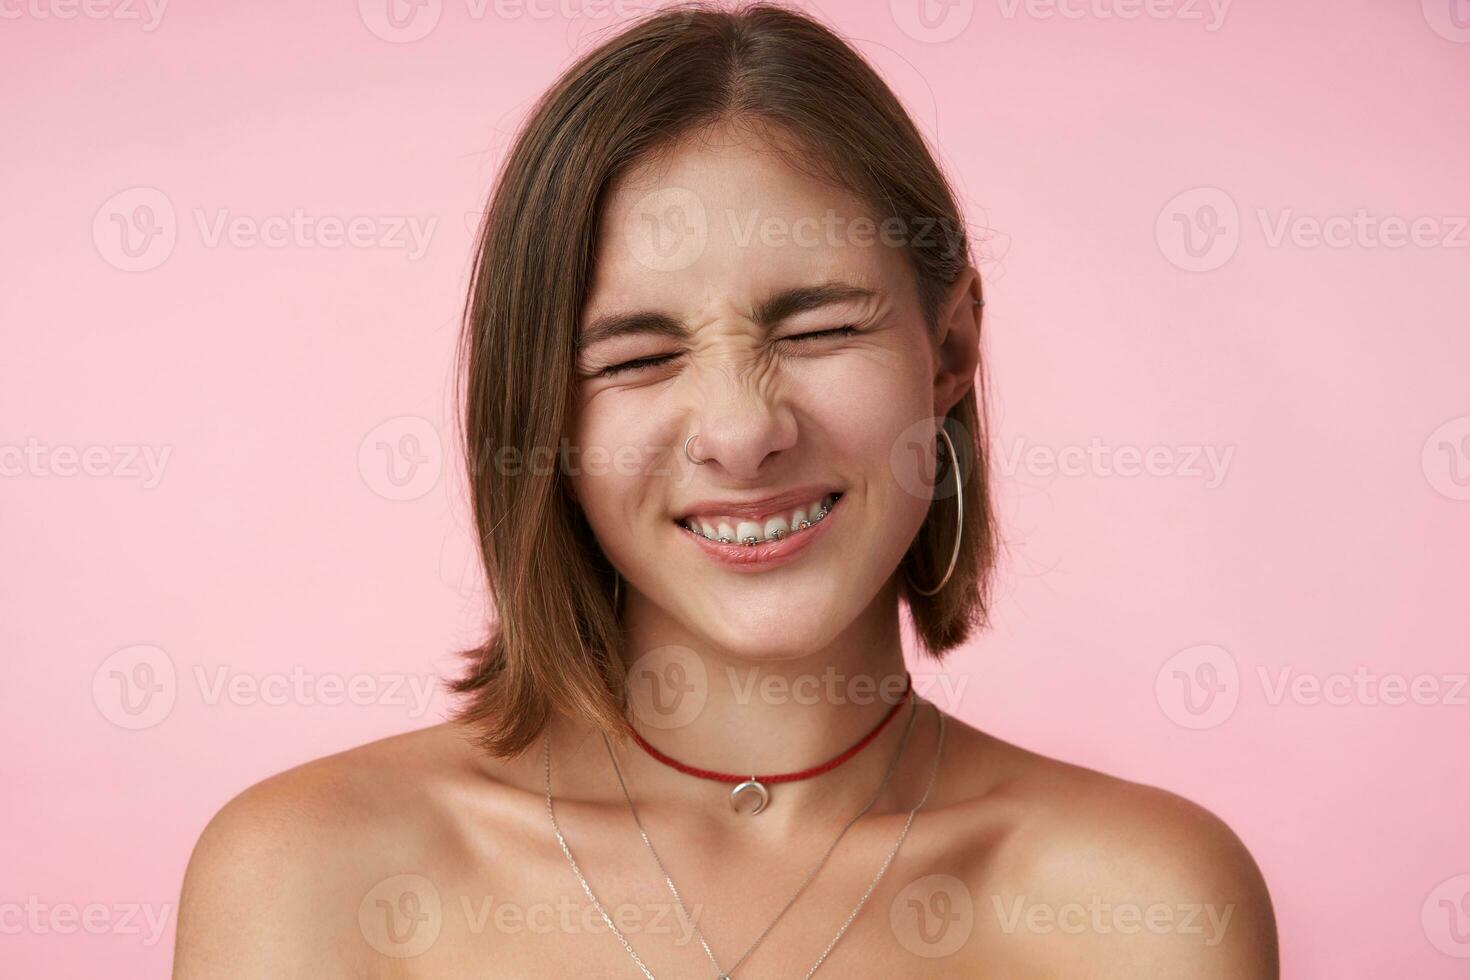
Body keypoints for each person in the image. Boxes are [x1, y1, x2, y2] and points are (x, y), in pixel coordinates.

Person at [173, 4, 1278, 976]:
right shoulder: (307, 875)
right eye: (637, 358)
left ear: (950, 349)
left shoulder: (1149, 905)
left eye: (818, 327)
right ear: (542, 415)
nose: (745, 431)